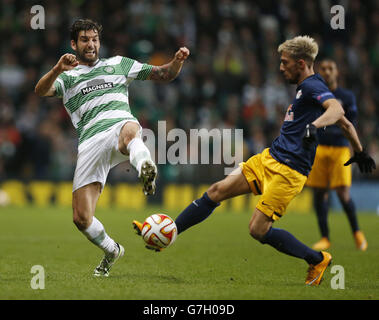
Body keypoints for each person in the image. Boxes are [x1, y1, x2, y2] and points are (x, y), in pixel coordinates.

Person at [133, 36, 375, 286]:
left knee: (257, 230)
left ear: (300, 63)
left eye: (285, 63)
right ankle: (168, 234)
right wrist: (359, 151)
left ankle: (317, 259)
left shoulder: (314, 86)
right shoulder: (305, 87)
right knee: (216, 191)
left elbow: (337, 111)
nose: (281, 67)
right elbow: (345, 124)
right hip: (270, 158)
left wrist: (314, 126)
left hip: (290, 171)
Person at [34, 19, 189, 277]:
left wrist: (178, 61)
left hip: (118, 125)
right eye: (84, 39)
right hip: (90, 143)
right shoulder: (68, 76)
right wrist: (57, 69)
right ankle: (111, 250)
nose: (91, 44)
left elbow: (164, 74)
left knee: (130, 130)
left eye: (94, 39)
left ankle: (144, 167)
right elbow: (41, 91)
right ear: (74, 44)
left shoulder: (118, 63)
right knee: (81, 218)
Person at [307, 59, 368, 251]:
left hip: (340, 148)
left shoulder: (346, 96)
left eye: (330, 68)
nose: (326, 72)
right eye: (323, 69)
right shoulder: (315, 95)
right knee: (319, 192)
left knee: (342, 193)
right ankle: (325, 237)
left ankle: (357, 233)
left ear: (337, 72)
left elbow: (351, 123)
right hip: (320, 148)